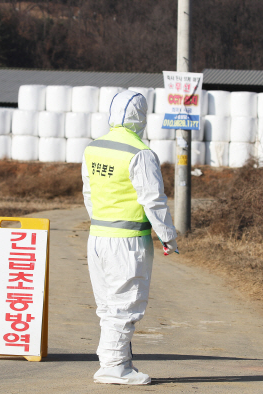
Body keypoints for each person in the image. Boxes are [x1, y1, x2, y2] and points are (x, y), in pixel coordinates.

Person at [81, 90, 178, 385]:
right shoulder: (140, 152)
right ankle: (113, 368)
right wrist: (168, 236)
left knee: (109, 305)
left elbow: (88, 193)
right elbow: (153, 200)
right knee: (125, 304)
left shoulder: (93, 149)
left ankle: (117, 361)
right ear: (141, 116)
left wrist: (101, 220)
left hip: (98, 235)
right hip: (128, 240)